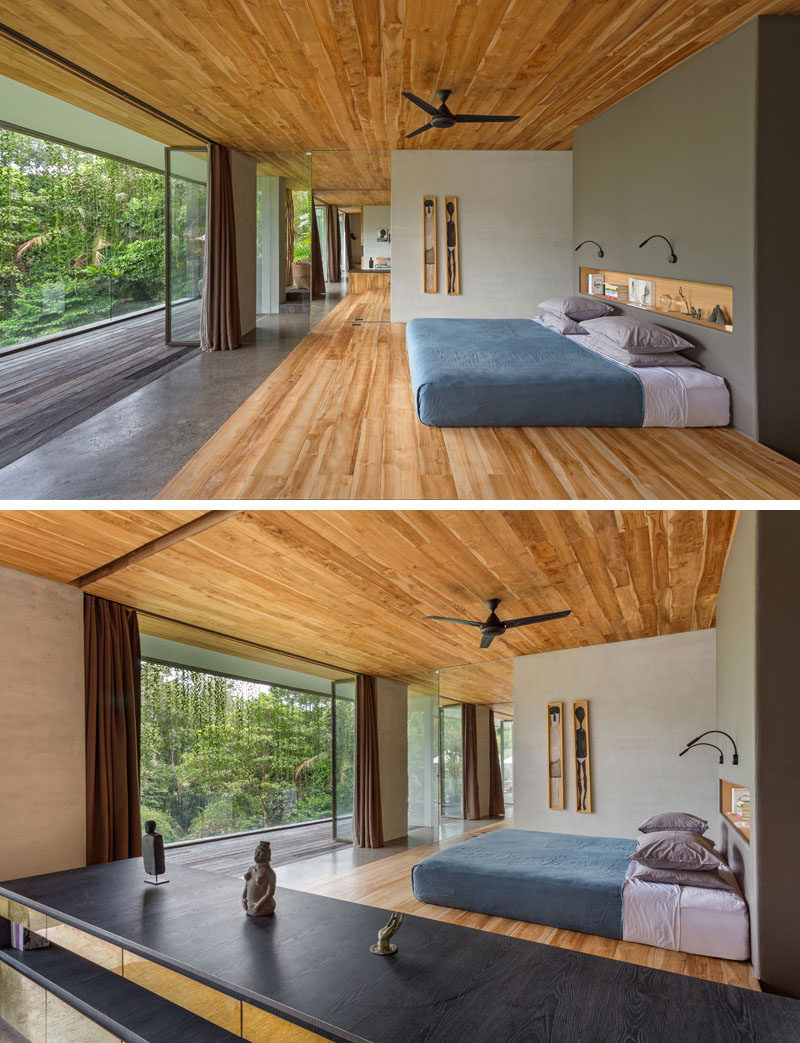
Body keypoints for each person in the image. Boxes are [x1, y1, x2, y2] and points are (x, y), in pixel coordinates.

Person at [242, 841, 276, 916]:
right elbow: (246, 887)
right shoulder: (251, 869)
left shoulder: (269, 873)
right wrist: (243, 899)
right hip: (250, 905)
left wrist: (258, 906)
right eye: (256, 852)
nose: (256, 855)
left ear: (267, 856)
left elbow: (270, 893)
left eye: (260, 853)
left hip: (263, 906)